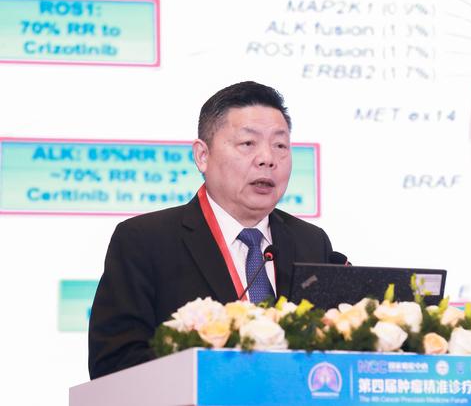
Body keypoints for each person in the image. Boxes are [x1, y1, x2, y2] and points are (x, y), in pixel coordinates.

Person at [88, 81, 335, 379]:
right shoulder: (145, 241)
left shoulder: (311, 242)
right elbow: (114, 363)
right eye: (248, 143)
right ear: (202, 156)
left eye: (280, 145)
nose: (267, 158)